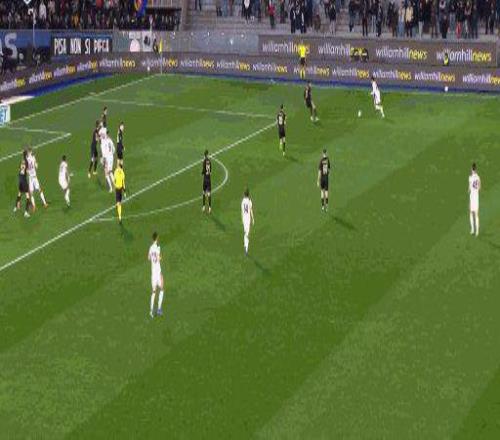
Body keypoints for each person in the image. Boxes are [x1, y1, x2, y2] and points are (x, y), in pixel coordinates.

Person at [148, 232, 165, 318]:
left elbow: (148, 258)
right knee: (162, 289)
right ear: (157, 238)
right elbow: (159, 258)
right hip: (158, 272)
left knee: (154, 292)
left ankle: (151, 311)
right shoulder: (157, 248)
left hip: (153, 274)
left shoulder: (150, 248)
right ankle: (159, 309)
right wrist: (160, 255)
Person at [241, 188, 255, 256]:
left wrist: (242, 218)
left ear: (244, 194)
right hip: (248, 218)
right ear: (248, 194)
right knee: (247, 233)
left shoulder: (243, 201)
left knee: (245, 232)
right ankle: (246, 248)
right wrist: (253, 218)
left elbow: (242, 211)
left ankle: (245, 244)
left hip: (244, 218)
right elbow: (251, 210)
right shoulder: (249, 201)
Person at [469, 163, 481, 236]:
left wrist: (470, 190)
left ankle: (472, 230)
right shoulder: (478, 177)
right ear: (476, 169)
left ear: (472, 169)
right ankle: (477, 231)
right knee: (476, 214)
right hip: (476, 197)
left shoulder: (470, 177)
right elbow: (479, 187)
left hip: (472, 197)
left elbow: (469, 188)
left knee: (471, 213)